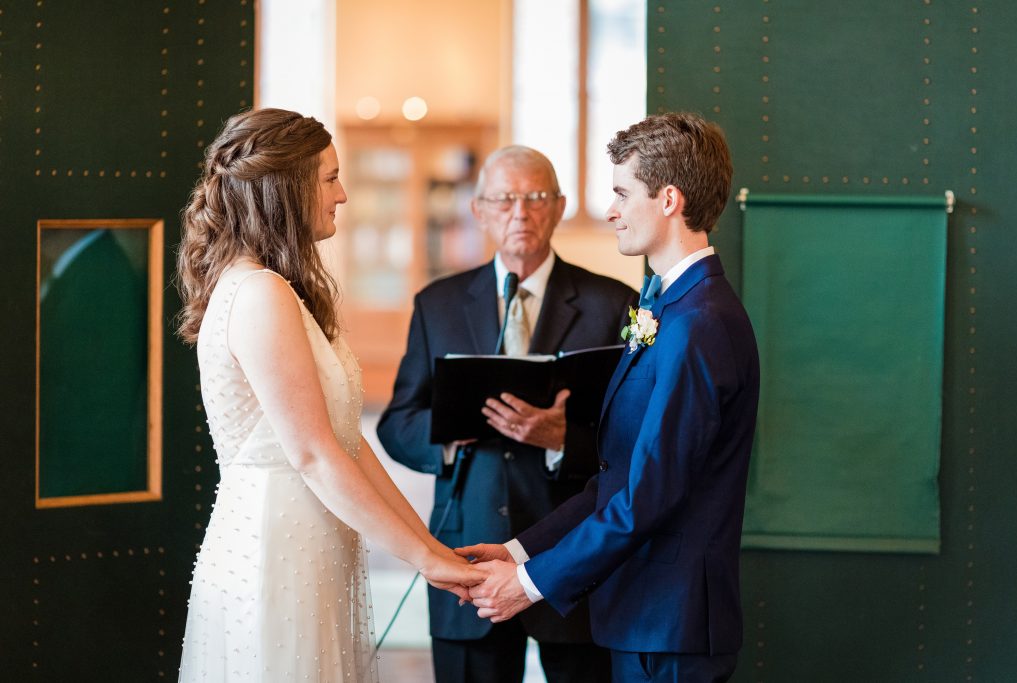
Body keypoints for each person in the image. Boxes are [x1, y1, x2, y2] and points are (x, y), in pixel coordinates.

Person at [174, 108, 481, 683]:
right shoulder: (260, 293)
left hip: (311, 546)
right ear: (285, 190)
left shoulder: (284, 290)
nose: (342, 195)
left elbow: (350, 446)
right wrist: (426, 563)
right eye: (329, 178)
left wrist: (432, 550)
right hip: (272, 550)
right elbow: (313, 455)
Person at [460, 112, 761, 683]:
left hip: (671, 625)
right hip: (643, 616)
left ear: (669, 199)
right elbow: (616, 477)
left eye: (623, 193)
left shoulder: (701, 322)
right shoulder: (667, 308)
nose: (612, 210)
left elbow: (649, 494)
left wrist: (528, 586)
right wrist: (520, 551)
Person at [376, 145, 637, 683]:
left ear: (560, 205)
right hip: (466, 555)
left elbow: (635, 444)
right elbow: (396, 421)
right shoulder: (438, 304)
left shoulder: (613, 303)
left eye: (536, 197)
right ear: (480, 209)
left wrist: (563, 437)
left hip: (573, 557)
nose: (521, 212)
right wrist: (449, 435)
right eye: (505, 199)